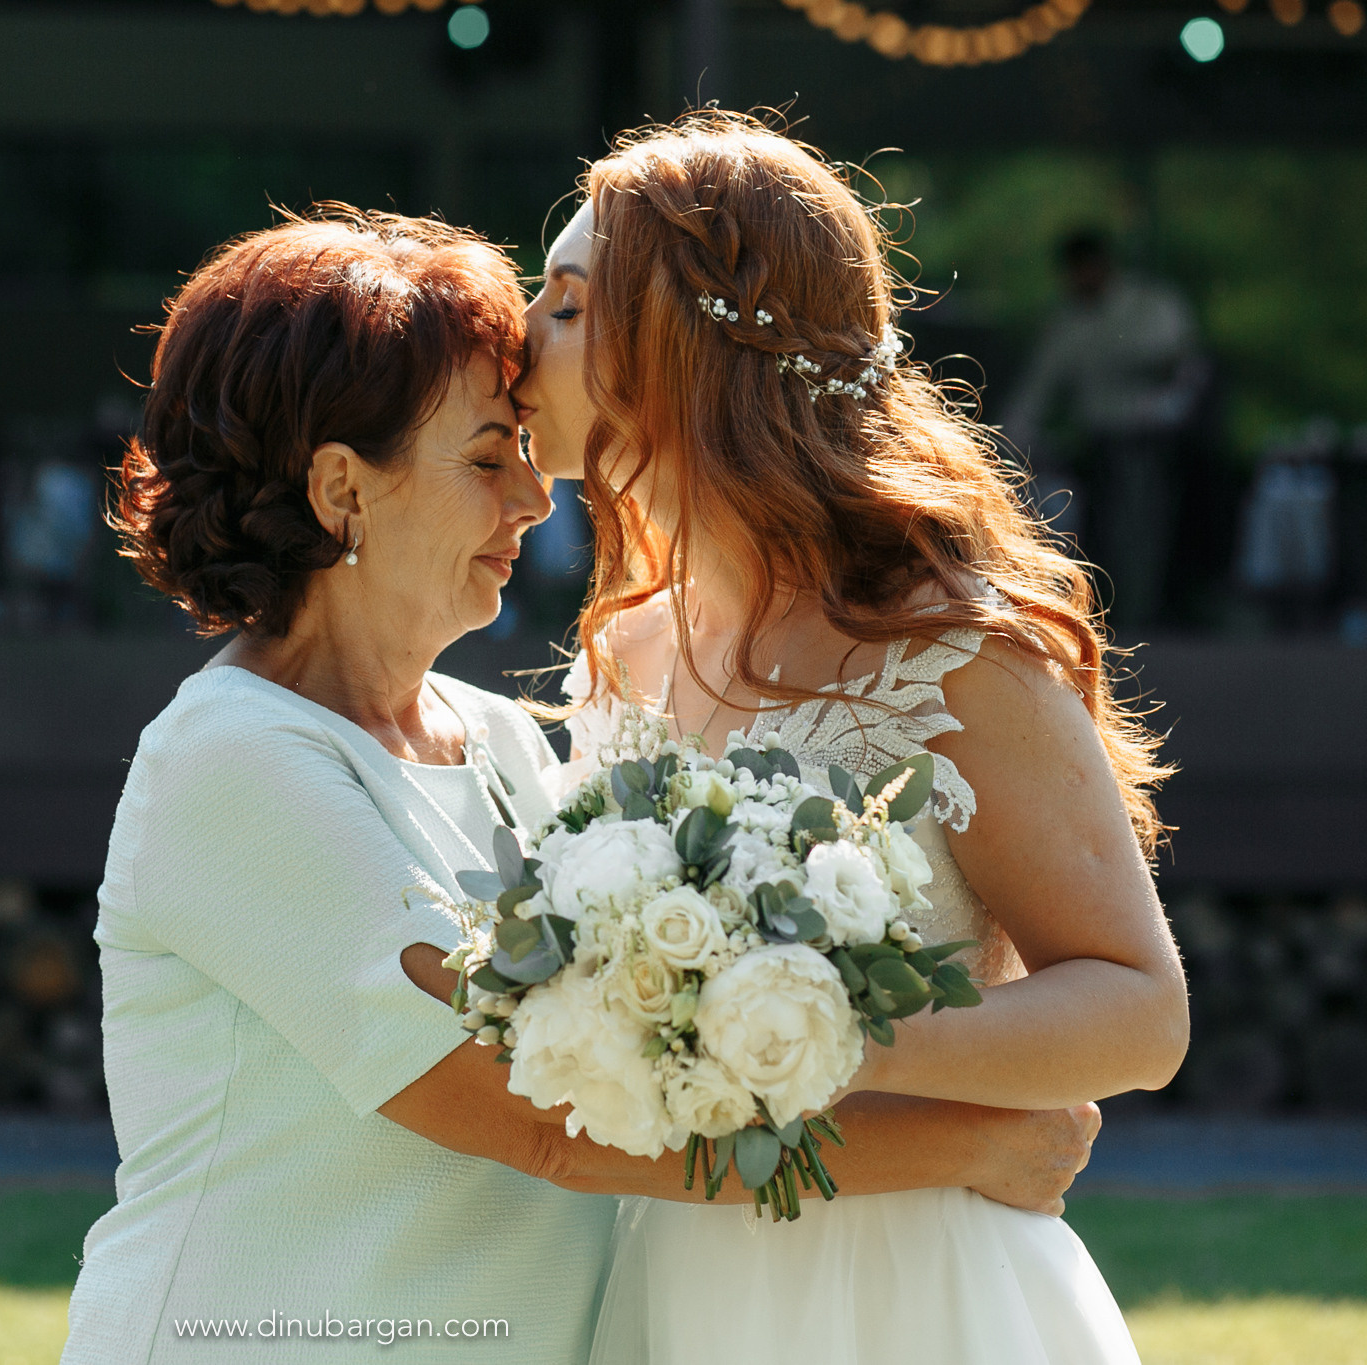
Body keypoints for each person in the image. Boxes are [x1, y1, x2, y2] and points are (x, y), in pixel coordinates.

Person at [65, 207, 1102, 1364]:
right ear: (341, 489)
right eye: (484, 457)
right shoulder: (233, 760)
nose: (534, 497)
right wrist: (962, 1147)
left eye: (524, 444)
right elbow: (531, 1119)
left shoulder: (508, 742)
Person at [511, 113, 1189, 1363]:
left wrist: (803, 1031)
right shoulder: (621, 649)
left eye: (562, 304)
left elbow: (1138, 1013)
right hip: (672, 1275)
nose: (519, 336)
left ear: (680, 347)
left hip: (909, 1283)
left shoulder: (950, 651)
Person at [1003, 231, 1208, 632]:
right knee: (1106, 532)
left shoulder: (1149, 305)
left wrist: (1164, 398)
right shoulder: (1068, 322)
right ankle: (1117, 616)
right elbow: (1037, 390)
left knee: (1146, 529)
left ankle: (1149, 614)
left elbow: (1184, 362)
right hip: (1098, 445)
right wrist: (1008, 435)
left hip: (1154, 441)